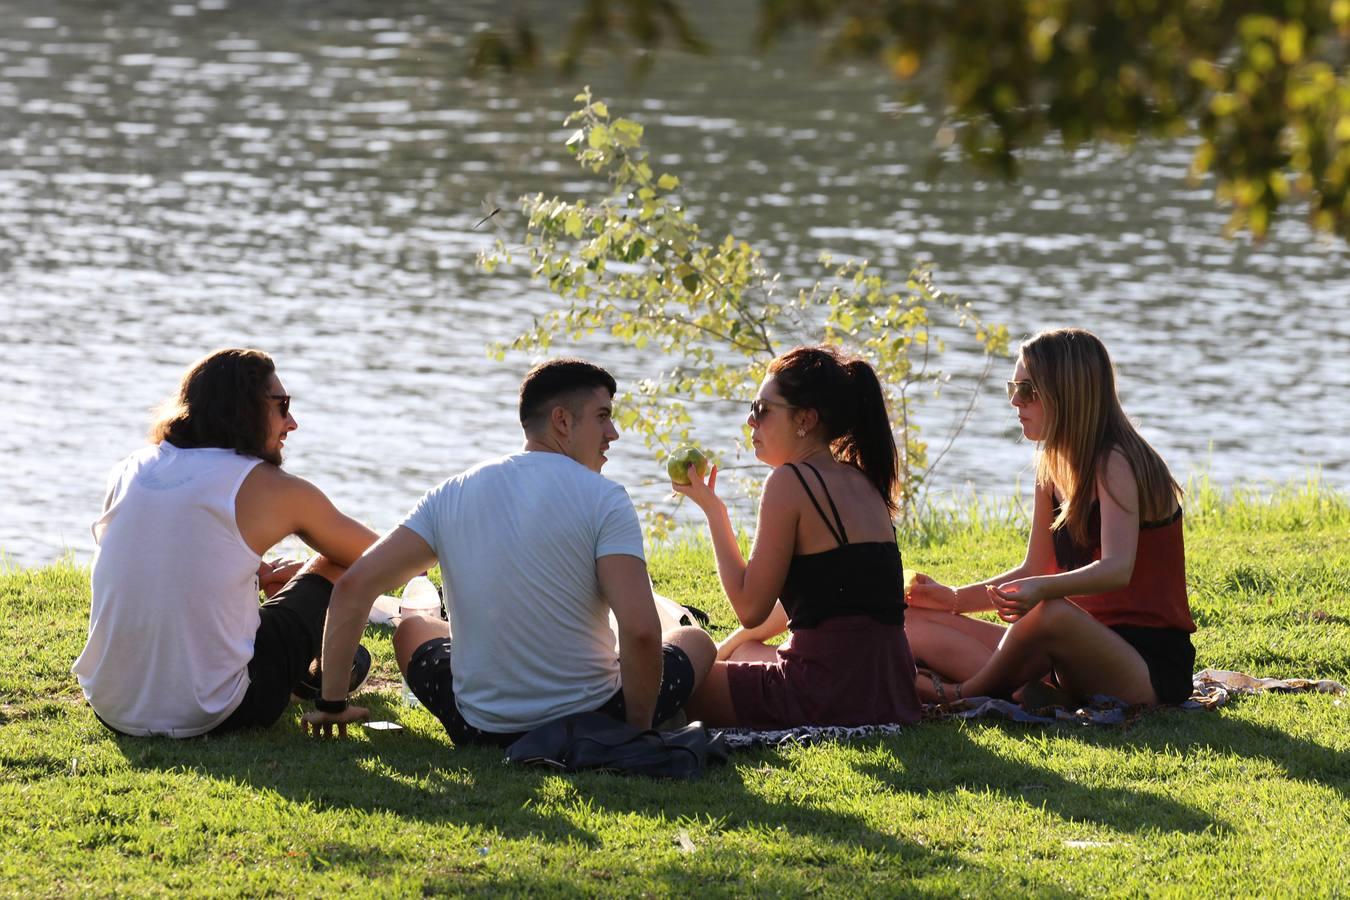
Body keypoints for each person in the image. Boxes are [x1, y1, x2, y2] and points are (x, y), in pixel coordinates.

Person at [301, 358, 716, 743]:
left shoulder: (452, 492)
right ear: (562, 421)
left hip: (479, 728)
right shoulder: (605, 498)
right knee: (694, 640)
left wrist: (332, 703)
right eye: (604, 417)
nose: (613, 434)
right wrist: (634, 738)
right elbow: (643, 632)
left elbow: (354, 586)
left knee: (413, 629)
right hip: (594, 720)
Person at [73, 348, 379, 737]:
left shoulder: (130, 468)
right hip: (214, 713)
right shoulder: (274, 488)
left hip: (111, 704)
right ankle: (306, 678)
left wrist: (250, 573)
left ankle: (301, 676)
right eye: (282, 406)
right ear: (245, 408)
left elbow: (165, 557)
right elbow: (388, 558)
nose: (293, 423)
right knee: (336, 564)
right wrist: (306, 573)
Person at [905, 328, 1196, 707]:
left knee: (1050, 613)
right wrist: (953, 600)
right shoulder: (1052, 464)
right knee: (911, 620)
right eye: (1013, 386)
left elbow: (1117, 568)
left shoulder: (1115, 462)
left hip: (1145, 668)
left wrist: (1044, 590)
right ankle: (1028, 690)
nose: (1014, 401)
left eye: (1027, 390)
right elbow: (1036, 566)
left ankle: (962, 694)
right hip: (1069, 652)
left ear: (1066, 395)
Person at [672, 345, 922, 728]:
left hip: (822, 695)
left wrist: (715, 514)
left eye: (761, 409)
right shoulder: (862, 479)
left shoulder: (790, 481)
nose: (750, 421)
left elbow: (750, 607)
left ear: (805, 419)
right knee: (746, 651)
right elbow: (831, 599)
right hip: (887, 693)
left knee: (675, 681)